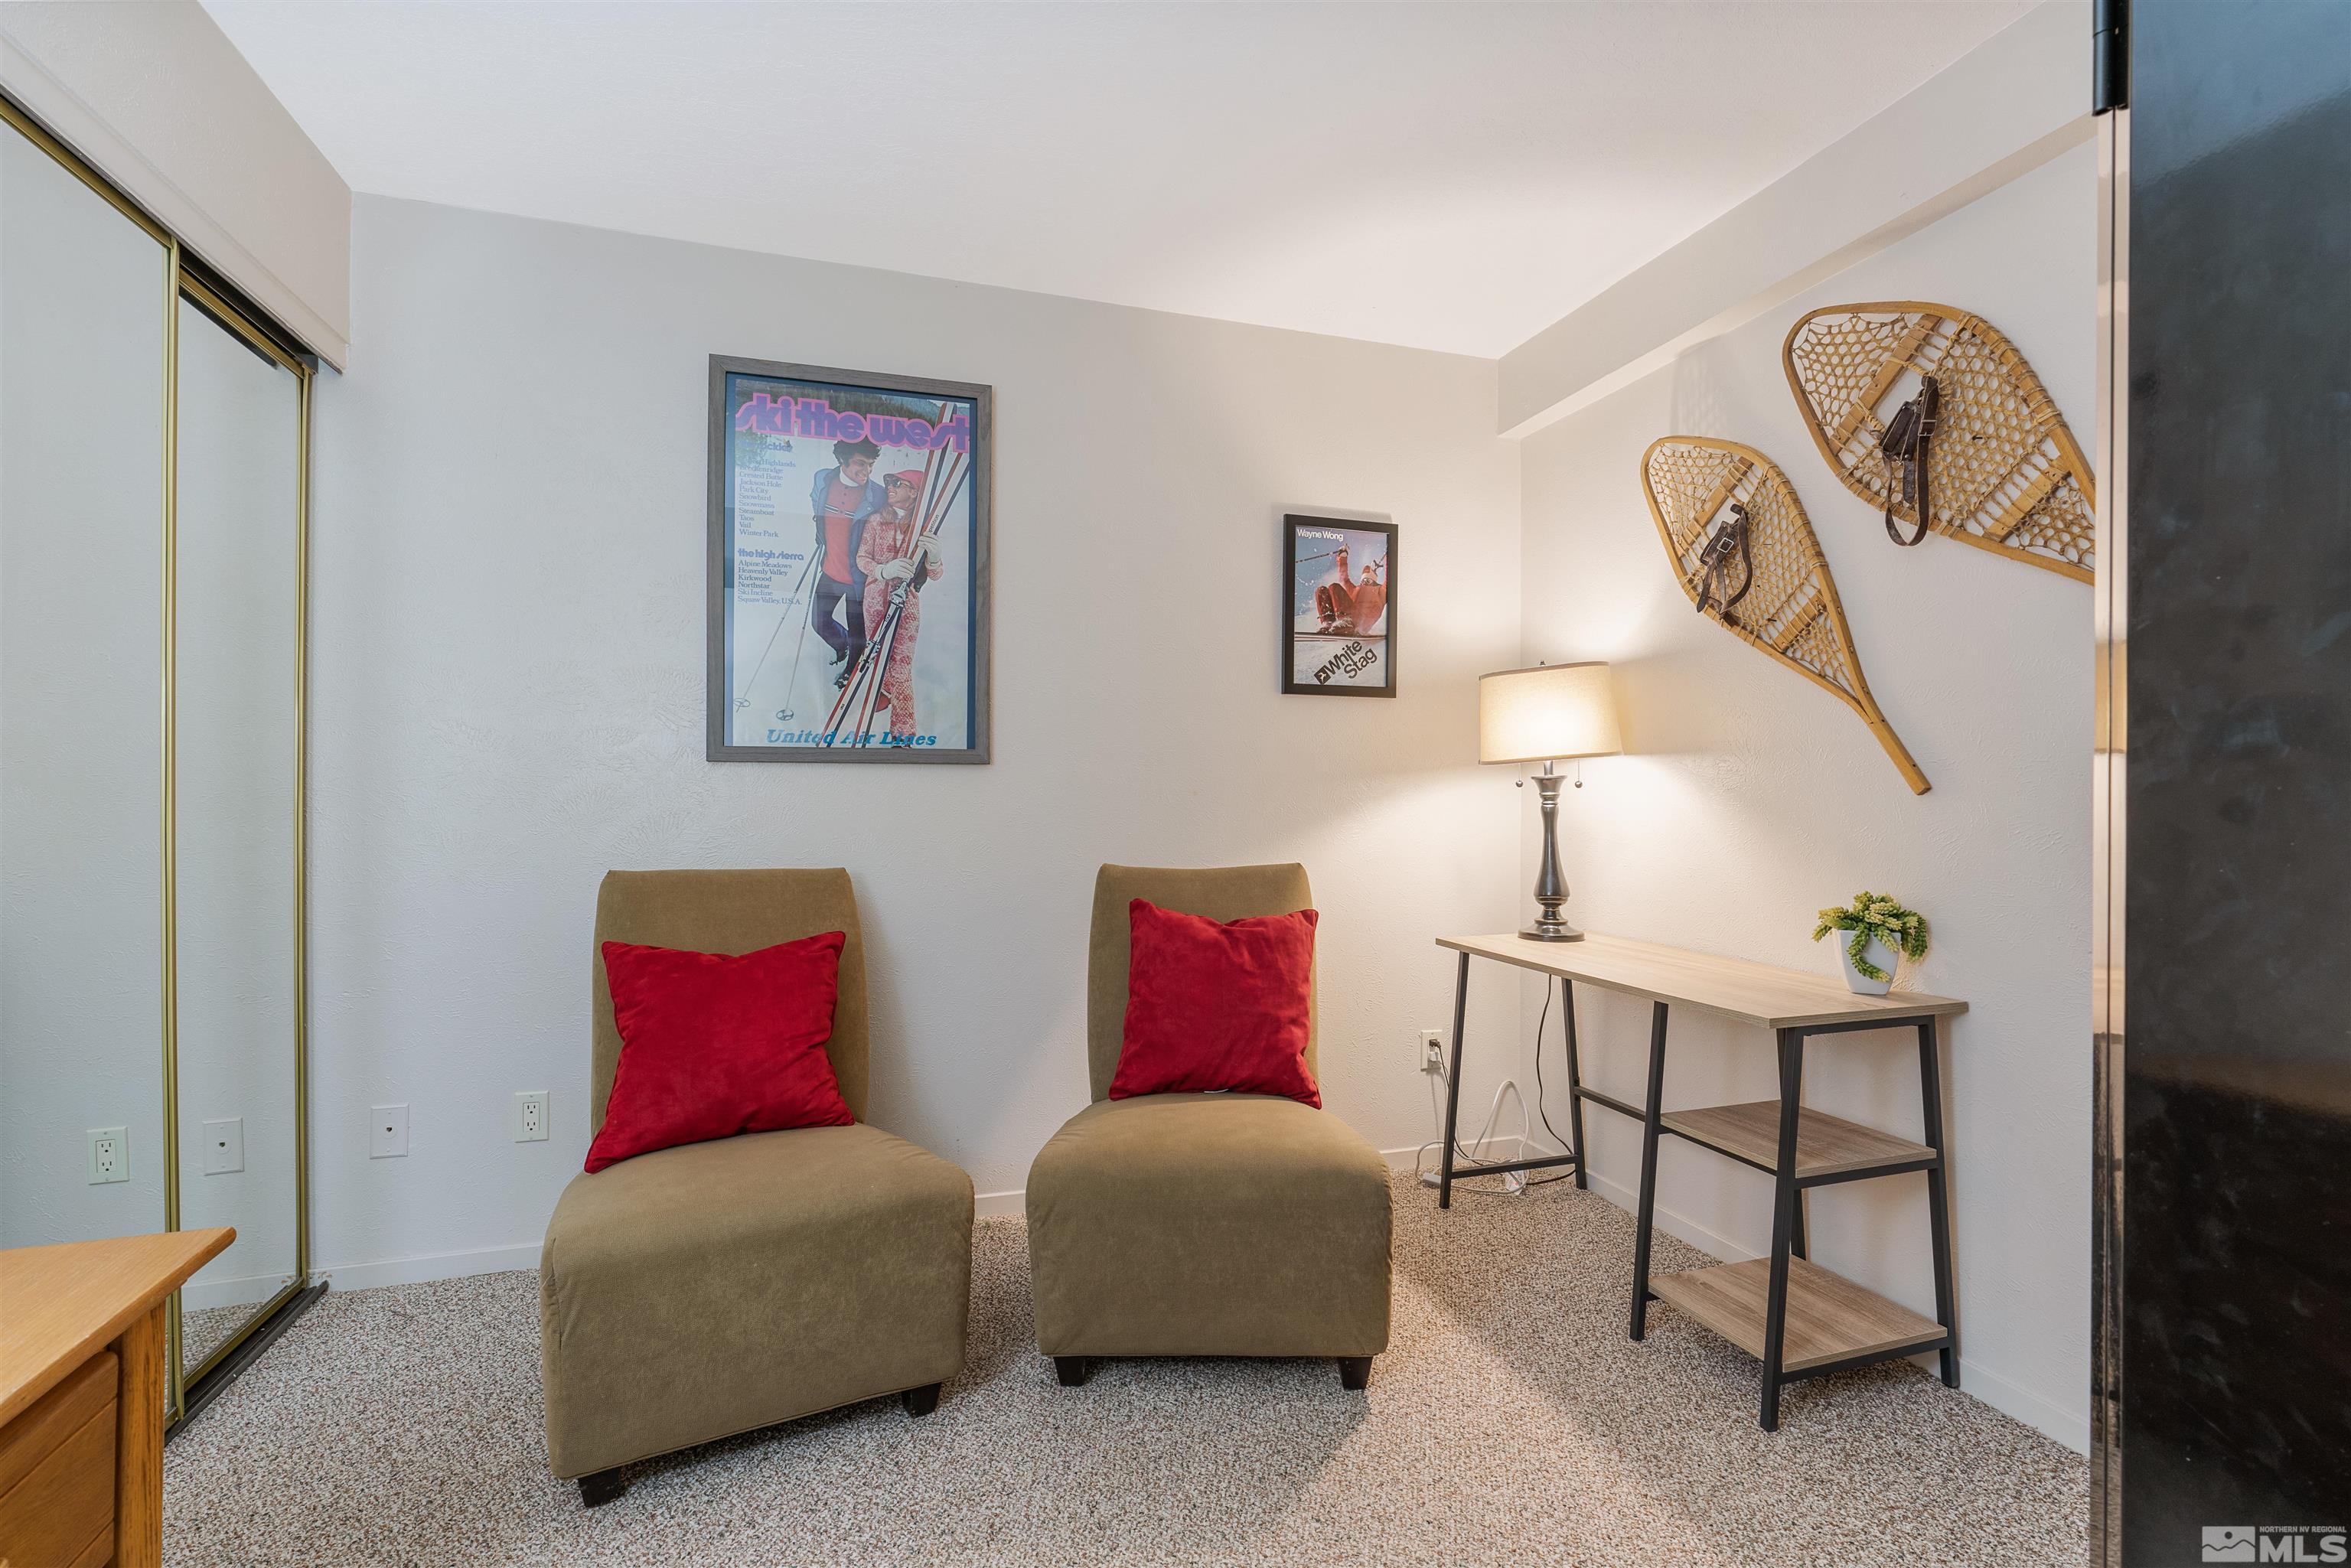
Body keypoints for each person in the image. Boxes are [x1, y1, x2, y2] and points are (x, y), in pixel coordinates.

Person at [855, 469, 944, 742]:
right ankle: (885, 691)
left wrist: (934, 556)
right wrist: (883, 570)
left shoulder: (923, 528)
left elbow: (936, 574)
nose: (890, 488)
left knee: (901, 666)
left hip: (907, 602)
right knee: (879, 656)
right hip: (875, 600)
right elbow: (862, 559)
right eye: (889, 484)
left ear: (914, 492)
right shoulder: (875, 521)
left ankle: (903, 734)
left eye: (898, 484)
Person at [809, 436, 885, 687]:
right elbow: (817, 504)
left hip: (860, 579)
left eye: (871, 465)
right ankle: (841, 647)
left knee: (858, 634)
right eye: (860, 464)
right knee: (819, 622)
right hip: (830, 571)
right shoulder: (823, 479)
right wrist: (822, 535)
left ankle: (851, 672)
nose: (867, 471)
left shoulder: (877, 496)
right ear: (842, 461)